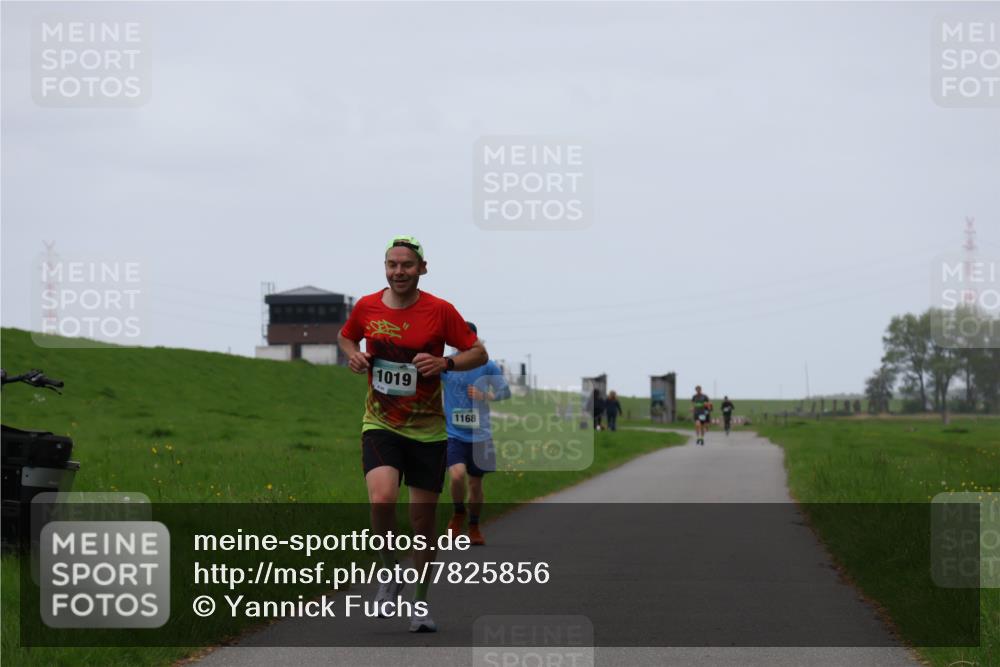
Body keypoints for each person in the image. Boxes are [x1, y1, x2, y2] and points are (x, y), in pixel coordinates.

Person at [338, 235, 487, 633]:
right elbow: (347, 334)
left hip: (428, 431)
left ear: (422, 268)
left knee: (422, 523)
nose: (398, 271)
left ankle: (420, 602)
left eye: (406, 265)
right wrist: (352, 353)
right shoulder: (367, 306)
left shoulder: (440, 311)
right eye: (392, 264)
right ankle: (390, 574)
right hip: (381, 423)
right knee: (383, 499)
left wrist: (445, 362)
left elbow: (479, 352)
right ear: (385, 268)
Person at [443, 322, 511, 546]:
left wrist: (485, 396)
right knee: (456, 475)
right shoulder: (446, 365)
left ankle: (473, 525)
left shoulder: (487, 365)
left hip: (481, 435)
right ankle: (458, 512)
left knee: (475, 485)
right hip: (454, 434)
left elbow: (505, 392)